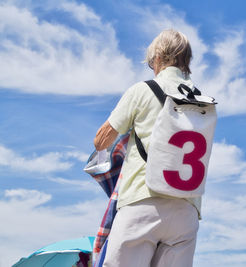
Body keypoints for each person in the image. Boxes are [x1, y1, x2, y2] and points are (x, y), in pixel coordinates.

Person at [94, 29, 201, 267]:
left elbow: (101, 141)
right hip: (187, 209)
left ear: (160, 58)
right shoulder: (203, 101)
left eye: (152, 62)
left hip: (143, 200)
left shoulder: (142, 90)